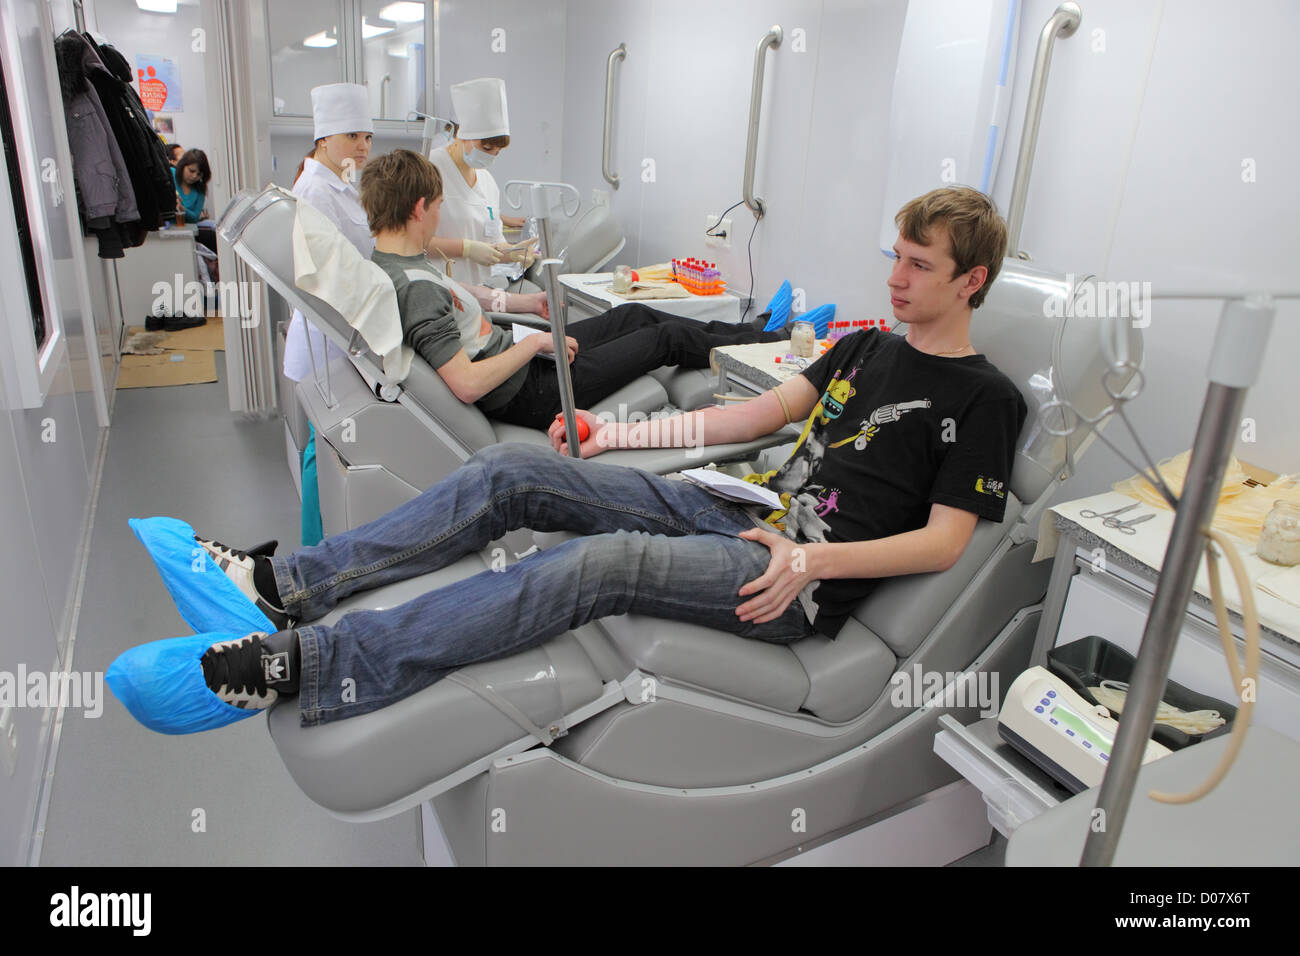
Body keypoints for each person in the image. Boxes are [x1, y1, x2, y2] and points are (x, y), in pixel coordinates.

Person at [144, 186, 1028, 728]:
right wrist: (621, 439)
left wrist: (811, 557)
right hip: (739, 508)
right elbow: (757, 413)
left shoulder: (985, 400)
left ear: (970, 282)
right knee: (509, 472)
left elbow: (947, 542)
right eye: (897, 258)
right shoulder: (866, 348)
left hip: (796, 578)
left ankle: (317, 664)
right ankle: (285, 587)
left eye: (918, 266)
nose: (896, 279)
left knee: (591, 566)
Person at [362, 148, 788, 430]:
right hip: (531, 392)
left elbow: (459, 296)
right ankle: (766, 344)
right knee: (665, 338)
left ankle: (751, 333)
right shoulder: (414, 286)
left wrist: (526, 305)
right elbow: (468, 385)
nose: (439, 215)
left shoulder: (396, 263)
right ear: (419, 208)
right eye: (437, 207)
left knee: (632, 315)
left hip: (519, 360)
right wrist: (533, 347)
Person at [423, 78, 532, 285]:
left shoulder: (486, 181)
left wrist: (513, 252)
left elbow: (493, 242)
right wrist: (466, 249)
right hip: (438, 290)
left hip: (478, 292)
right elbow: (413, 243)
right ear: (462, 134)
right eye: (487, 149)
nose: (490, 157)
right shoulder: (429, 169)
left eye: (497, 153)